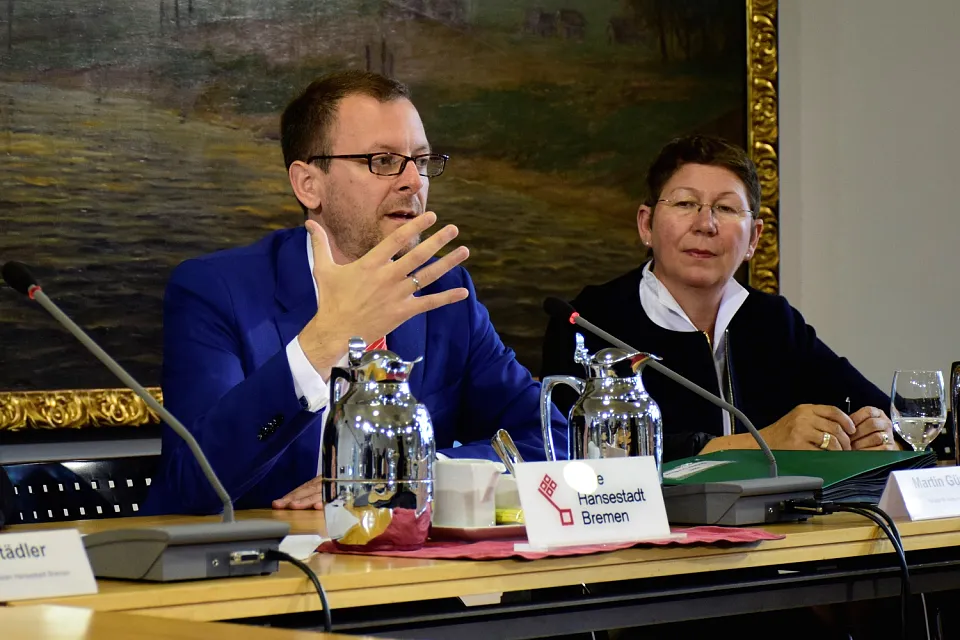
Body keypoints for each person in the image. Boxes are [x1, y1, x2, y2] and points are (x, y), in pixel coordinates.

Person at [146, 70, 566, 515]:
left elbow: (549, 438)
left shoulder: (442, 292)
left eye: (420, 161)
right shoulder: (218, 291)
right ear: (309, 184)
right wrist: (320, 348)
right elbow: (188, 488)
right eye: (383, 161)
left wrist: (410, 474)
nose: (413, 182)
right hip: (272, 573)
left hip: (413, 579)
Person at [540, 134, 898, 463]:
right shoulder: (589, 321)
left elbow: (890, 418)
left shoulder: (773, 321)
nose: (706, 224)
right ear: (646, 224)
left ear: (754, 238)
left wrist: (877, 433)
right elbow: (568, 451)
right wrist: (764, 440)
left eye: (726, 209)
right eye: (685, 203)